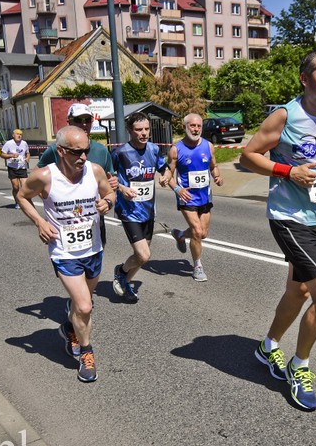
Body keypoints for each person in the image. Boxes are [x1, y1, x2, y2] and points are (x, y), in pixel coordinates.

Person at [240, 49, 316, 410]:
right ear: (305, 79)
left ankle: (267, 346)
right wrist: (286, 171)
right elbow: (248, 156)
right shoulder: (286, 115)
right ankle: (300, 365)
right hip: (290, 217)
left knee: (299, 292)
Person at [18, 125, 115, 383]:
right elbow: (22, 196)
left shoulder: (95, 171)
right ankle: (86, 352)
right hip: (63, 251)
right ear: (60, 151)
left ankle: (69, 328)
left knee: (85, 305)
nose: (83, 157)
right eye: (76, 152)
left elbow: (109, 192)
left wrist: (109, 202)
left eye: (85, 151)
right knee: (84, 306)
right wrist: (39, 222)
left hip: (93, 248)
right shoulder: (44, 176)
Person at [38, 103, 118, 246]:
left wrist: (112, 189)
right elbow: (35, 180)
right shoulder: (56, 150)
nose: (84, 124)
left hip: (94, 221)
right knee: (70, 265)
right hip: (64, 223)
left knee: (94, 265)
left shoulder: (101, 150)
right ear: (69, 122)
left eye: (87, 120)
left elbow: (110, 181)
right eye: (78, 120)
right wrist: (42, 221)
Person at [111, 112, 168, 302]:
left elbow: (164, 168)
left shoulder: (153, 149)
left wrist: (166, 175)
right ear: (129, 131)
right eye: (138, 130)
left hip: (148, 210)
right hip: (129, 211)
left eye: (146, 129)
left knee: (142, 255)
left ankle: (125, 280)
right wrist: (121, 187)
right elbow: (106, 178)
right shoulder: (120, 153)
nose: (143, 133)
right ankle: (122, 272)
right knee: (144, 255)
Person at [165, 113, 223, 282]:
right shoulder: (176, 149)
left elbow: (214, 166)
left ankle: (181, 234)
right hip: (187, 197)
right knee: (197, 231)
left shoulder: (208, 146)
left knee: (203, 233)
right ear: (185, 127)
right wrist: (177, 189)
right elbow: (168, 174)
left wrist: (217, 176)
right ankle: (197, 266)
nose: (196, 129)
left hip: (205, 196)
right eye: (192, 126)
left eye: (198, 126)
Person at [0, 129, 30, 209]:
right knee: (16, 187)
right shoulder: (9, 143)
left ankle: (25, 202)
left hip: (22, 167)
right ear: (13, 135)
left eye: (20, 134)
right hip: (12, 167)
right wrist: (11, 156)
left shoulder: (24, 143)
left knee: (25, 186)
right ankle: (17, 202)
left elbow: (28, 153)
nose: (19, 135)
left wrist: (27, 159)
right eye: (17, 134)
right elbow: (2, 155)